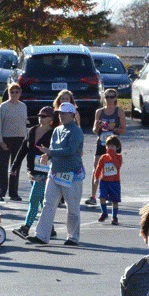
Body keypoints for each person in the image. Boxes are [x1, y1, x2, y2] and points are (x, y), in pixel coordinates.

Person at [28, 102, 85, 247]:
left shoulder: (76, 131)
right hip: (55, 173)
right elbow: (53, 149)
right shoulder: (57, 130)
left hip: (71, 174)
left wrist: (50, 153)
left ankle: (73, 237)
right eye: (60, 113)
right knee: (48, 204)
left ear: (72, 115)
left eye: (65, 113)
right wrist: (48, 157)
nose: (61, 116)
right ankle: (41, 235)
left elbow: (70, 151)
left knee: (72, 208)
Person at [10, 107, 56, 240]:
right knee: (41, 200)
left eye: (44, 116)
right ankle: (50, 228)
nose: (41, 118)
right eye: (40, 115)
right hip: (32, 171)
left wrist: (49, 156)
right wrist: (14, 167)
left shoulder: (54, 134)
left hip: (45, 173)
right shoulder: (32, 130)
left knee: (34, 200)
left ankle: (25, 228)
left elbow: (57, 153)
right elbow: (23, 149)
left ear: (51, 119)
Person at [86, 89, 128, 206]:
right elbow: (94, 130)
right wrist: (98, 127)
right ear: (104, 98)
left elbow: (123, 130)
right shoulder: (99, 112)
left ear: (115, 98)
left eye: (112, 97)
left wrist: (113, 128)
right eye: (107, 97)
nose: (109, 99)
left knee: (111, 170)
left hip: (114, 144)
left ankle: (111, 196)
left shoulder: (119, 112)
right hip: (102, 143)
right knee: (96, 168)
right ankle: (93, 196)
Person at [0, 84, 28, 201]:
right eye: (12, 92)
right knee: (3, 168)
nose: (14, 94)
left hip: (19, 140)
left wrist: (25, 140)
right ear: (8, 93)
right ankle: (0, 192)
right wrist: (0, 141)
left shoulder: (23, 106)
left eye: (16, 92)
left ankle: (13, 193)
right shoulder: (3, 106)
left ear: (20, 93)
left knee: (15, 168)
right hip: (6, 140)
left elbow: (24, 124)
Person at [94, 134, 123, 224]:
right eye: (109, 145)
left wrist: (112, 154)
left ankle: (114, 217)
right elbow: (99, 168)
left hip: (114, 182)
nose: (110, 148)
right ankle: (104, 212)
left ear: (117, 147)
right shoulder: (103, 157)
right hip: (104, 182)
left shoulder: (118, 157)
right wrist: (97, 177)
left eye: (113, 146)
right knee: (102, 197)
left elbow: (117, 165)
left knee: (115, 200)